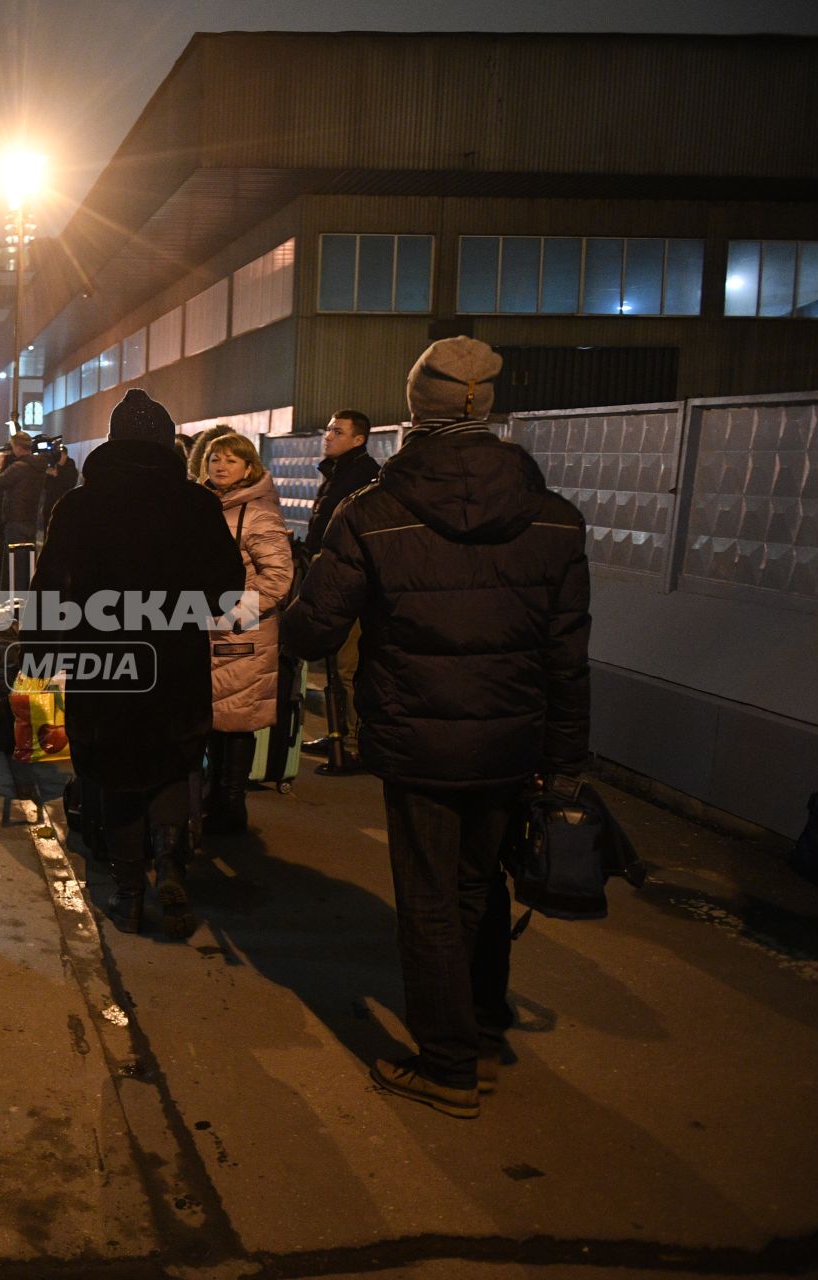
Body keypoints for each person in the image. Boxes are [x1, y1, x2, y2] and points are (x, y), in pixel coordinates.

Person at [282, 337, 590, 1120]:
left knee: (428, 897)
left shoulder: (373, 513)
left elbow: (314, 631)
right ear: (487, 410)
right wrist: (564, 765)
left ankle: (448, 1064)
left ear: (415, 407)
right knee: (479, 886)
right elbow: (567, 658)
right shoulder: (553, 521)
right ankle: (482, 1027)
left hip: (419, 740)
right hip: (512, 739)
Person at [31, 389, 244, 936]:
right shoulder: (196, 503)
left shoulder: (78, 505)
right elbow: (227, 587)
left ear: (112, 441)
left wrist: (37, 653)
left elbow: (51, 588)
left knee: (114, 770)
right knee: (173, 762)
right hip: (175, 659)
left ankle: (128, 892)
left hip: (102, 662)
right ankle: (170, 864)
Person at [200, 433, 294, 835]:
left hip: (242, 634)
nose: (221, 467)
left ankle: (231, 803)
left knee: (236, 721)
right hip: (208, 629)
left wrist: (234, 616)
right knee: (213, 719)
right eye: (215, 460)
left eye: (231, 461)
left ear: (249, 467)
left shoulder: (258, 513)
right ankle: (213, 798)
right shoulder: (205, 508)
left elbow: (278, 577)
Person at [302, 410, 381, 775]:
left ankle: (350, 747)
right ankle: (337, 734)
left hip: (350, 586)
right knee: (336, 662)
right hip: (332, 581)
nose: (328, 436)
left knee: (348, 665)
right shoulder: (339, 472)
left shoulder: (362, 477)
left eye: (337, 431)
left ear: (358, 439)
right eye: (329, 429)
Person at [0, 431, 46, 593]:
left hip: (15, 520)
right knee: (28, 560)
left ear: (16, 446)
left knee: (13, 563)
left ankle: (13, 601)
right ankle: (28, 595)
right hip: (31, 519)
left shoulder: (18, 467)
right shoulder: (39, 467)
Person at [40, 445, 77, 528]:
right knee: (48, 529)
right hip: (49, 505)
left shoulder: (70, 466)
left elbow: (71, 483)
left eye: (61, 454)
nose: (59, 457)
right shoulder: (52, 464)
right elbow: (46, 486)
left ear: (65, 455)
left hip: (63, 504)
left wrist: (57, 474)